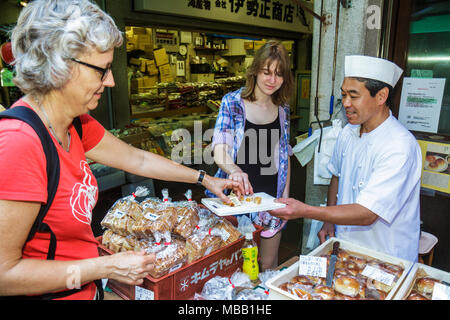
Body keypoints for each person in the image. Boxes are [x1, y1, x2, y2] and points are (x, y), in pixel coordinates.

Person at [0, 0, 243, 300]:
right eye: (102, 70)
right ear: (60, 65)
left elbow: (136, 158)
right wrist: (107, 266)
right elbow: (4, 275)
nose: (111, 81)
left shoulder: (75, 124)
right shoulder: (20, 141)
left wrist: (205, 179)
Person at [271, 55, 422, 262]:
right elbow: (337, 176)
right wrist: (329, 222)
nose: (345, 103)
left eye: (354, 95)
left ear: (381, 96)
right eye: (343, 95)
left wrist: (305, 210)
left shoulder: (399, 145)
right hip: (345, 246)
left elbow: (368, 213)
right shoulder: (348, 132)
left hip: (385, 255)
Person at [207, 40, 294, 270]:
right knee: (234, 265)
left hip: (269, 199)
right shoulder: (232, 103)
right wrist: (235, 171)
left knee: (267, 265)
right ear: (255, 70)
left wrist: (284, 198)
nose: (272, 80)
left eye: (278, 74)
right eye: (266, 72)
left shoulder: (283, 109)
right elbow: (220, 150)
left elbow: (284, 156)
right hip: (235, 201)